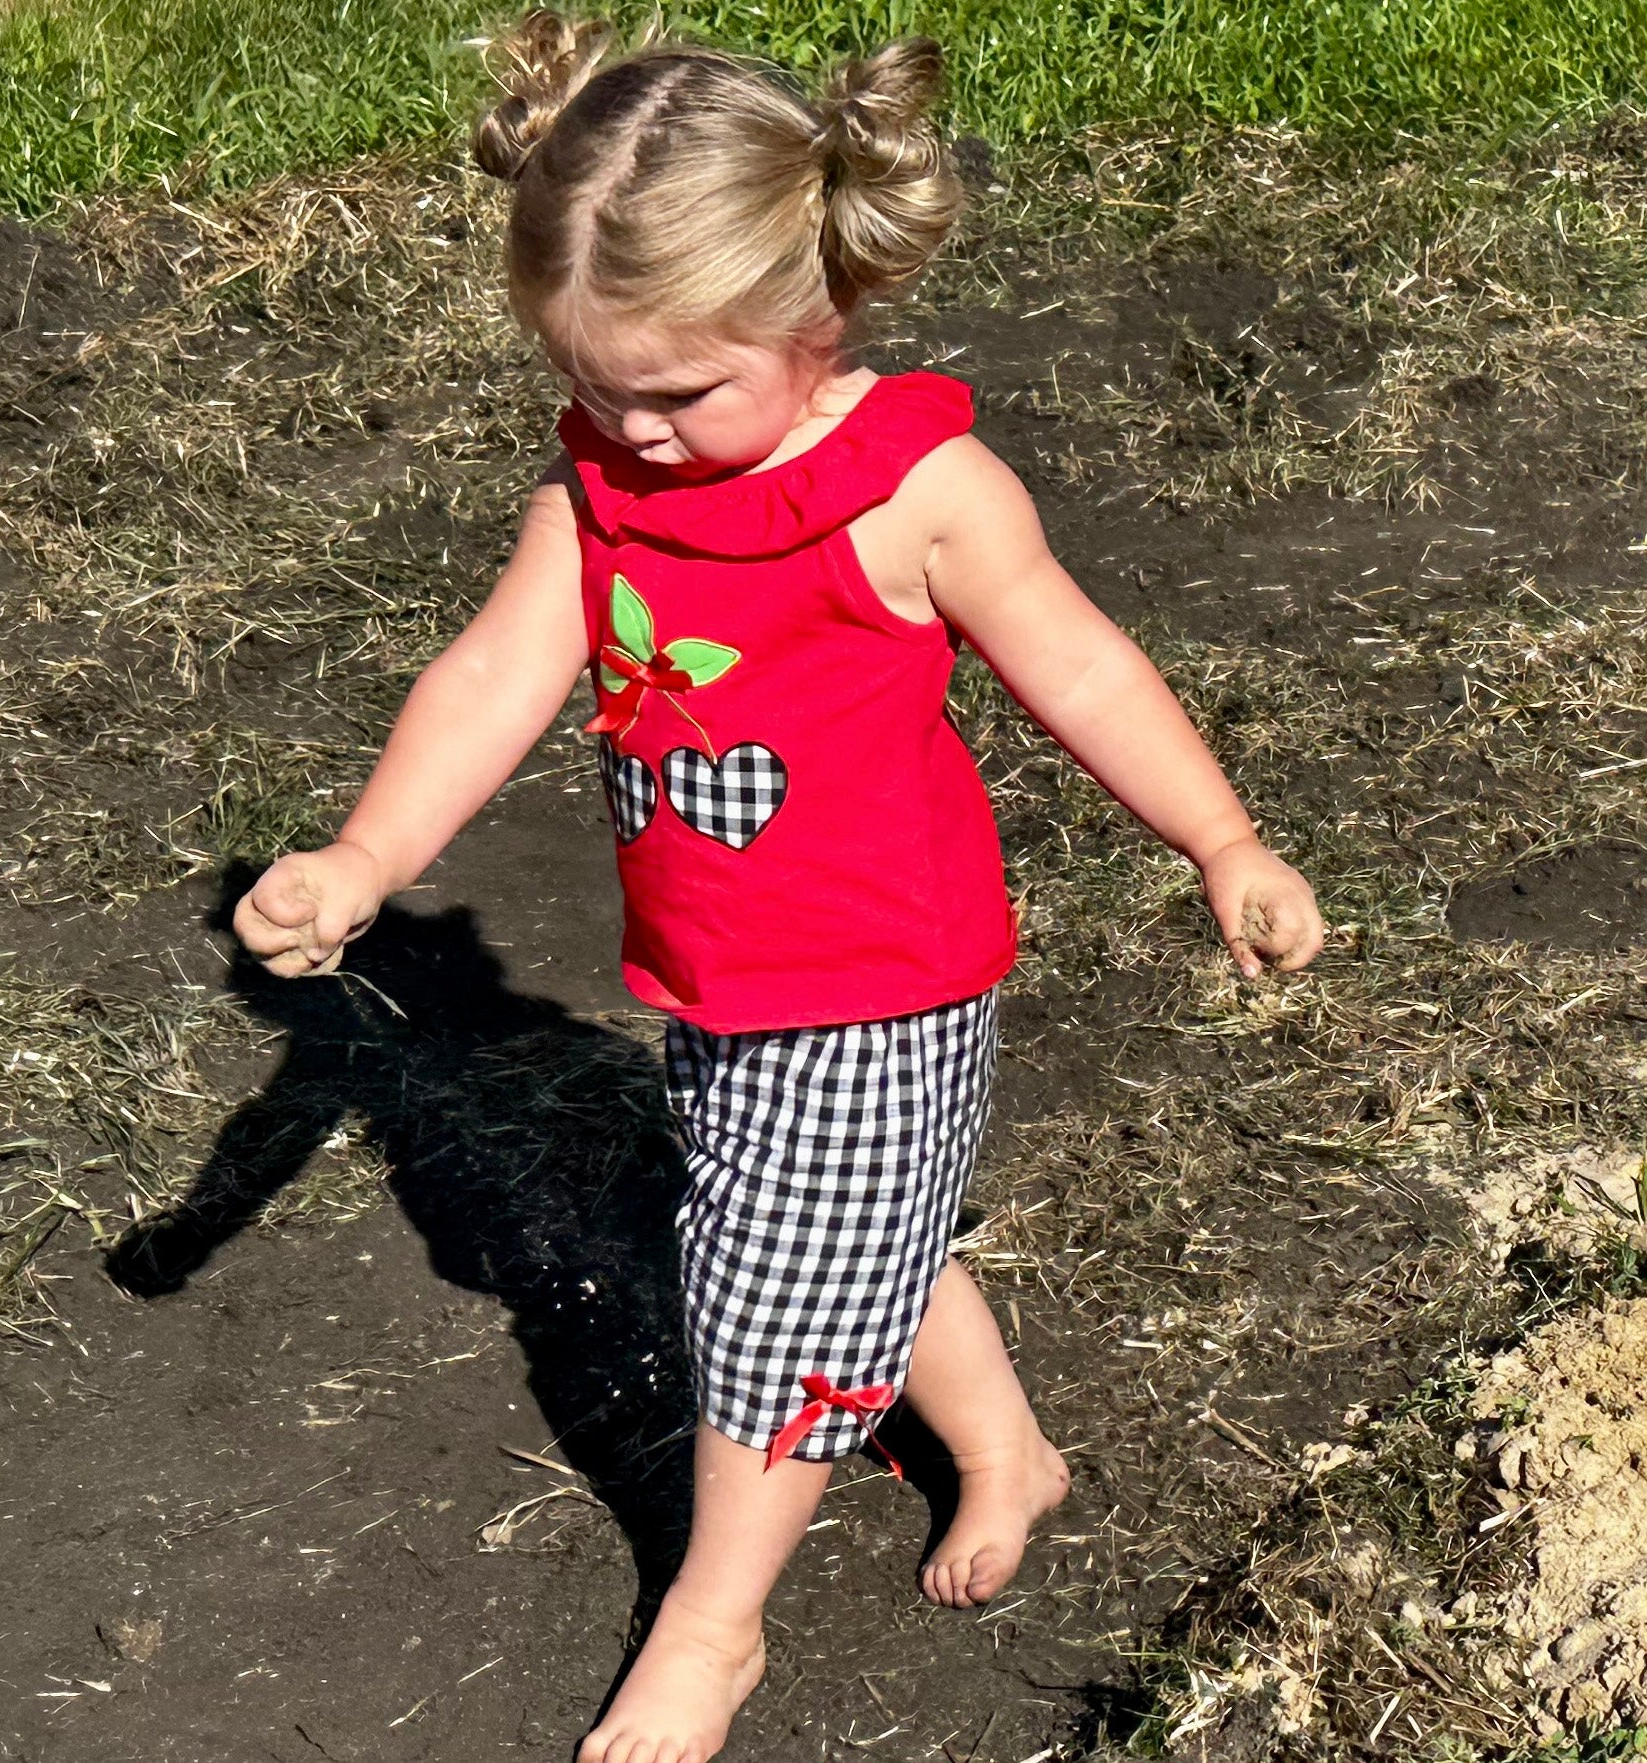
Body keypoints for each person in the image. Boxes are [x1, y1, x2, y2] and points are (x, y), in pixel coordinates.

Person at [232, 15, 1325, 1760]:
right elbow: (491, 679)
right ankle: (1005, 1449)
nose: (639, 433)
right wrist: (367, 855)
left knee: (768, 1302)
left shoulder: (917, 491)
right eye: (598, 388)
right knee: (844, 1250)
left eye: (682, 393)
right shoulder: (597, 493)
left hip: (884, 981)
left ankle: (714, 1623)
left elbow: (1087, 670)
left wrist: (1224, 839)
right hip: (718, 977)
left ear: (825, 311)